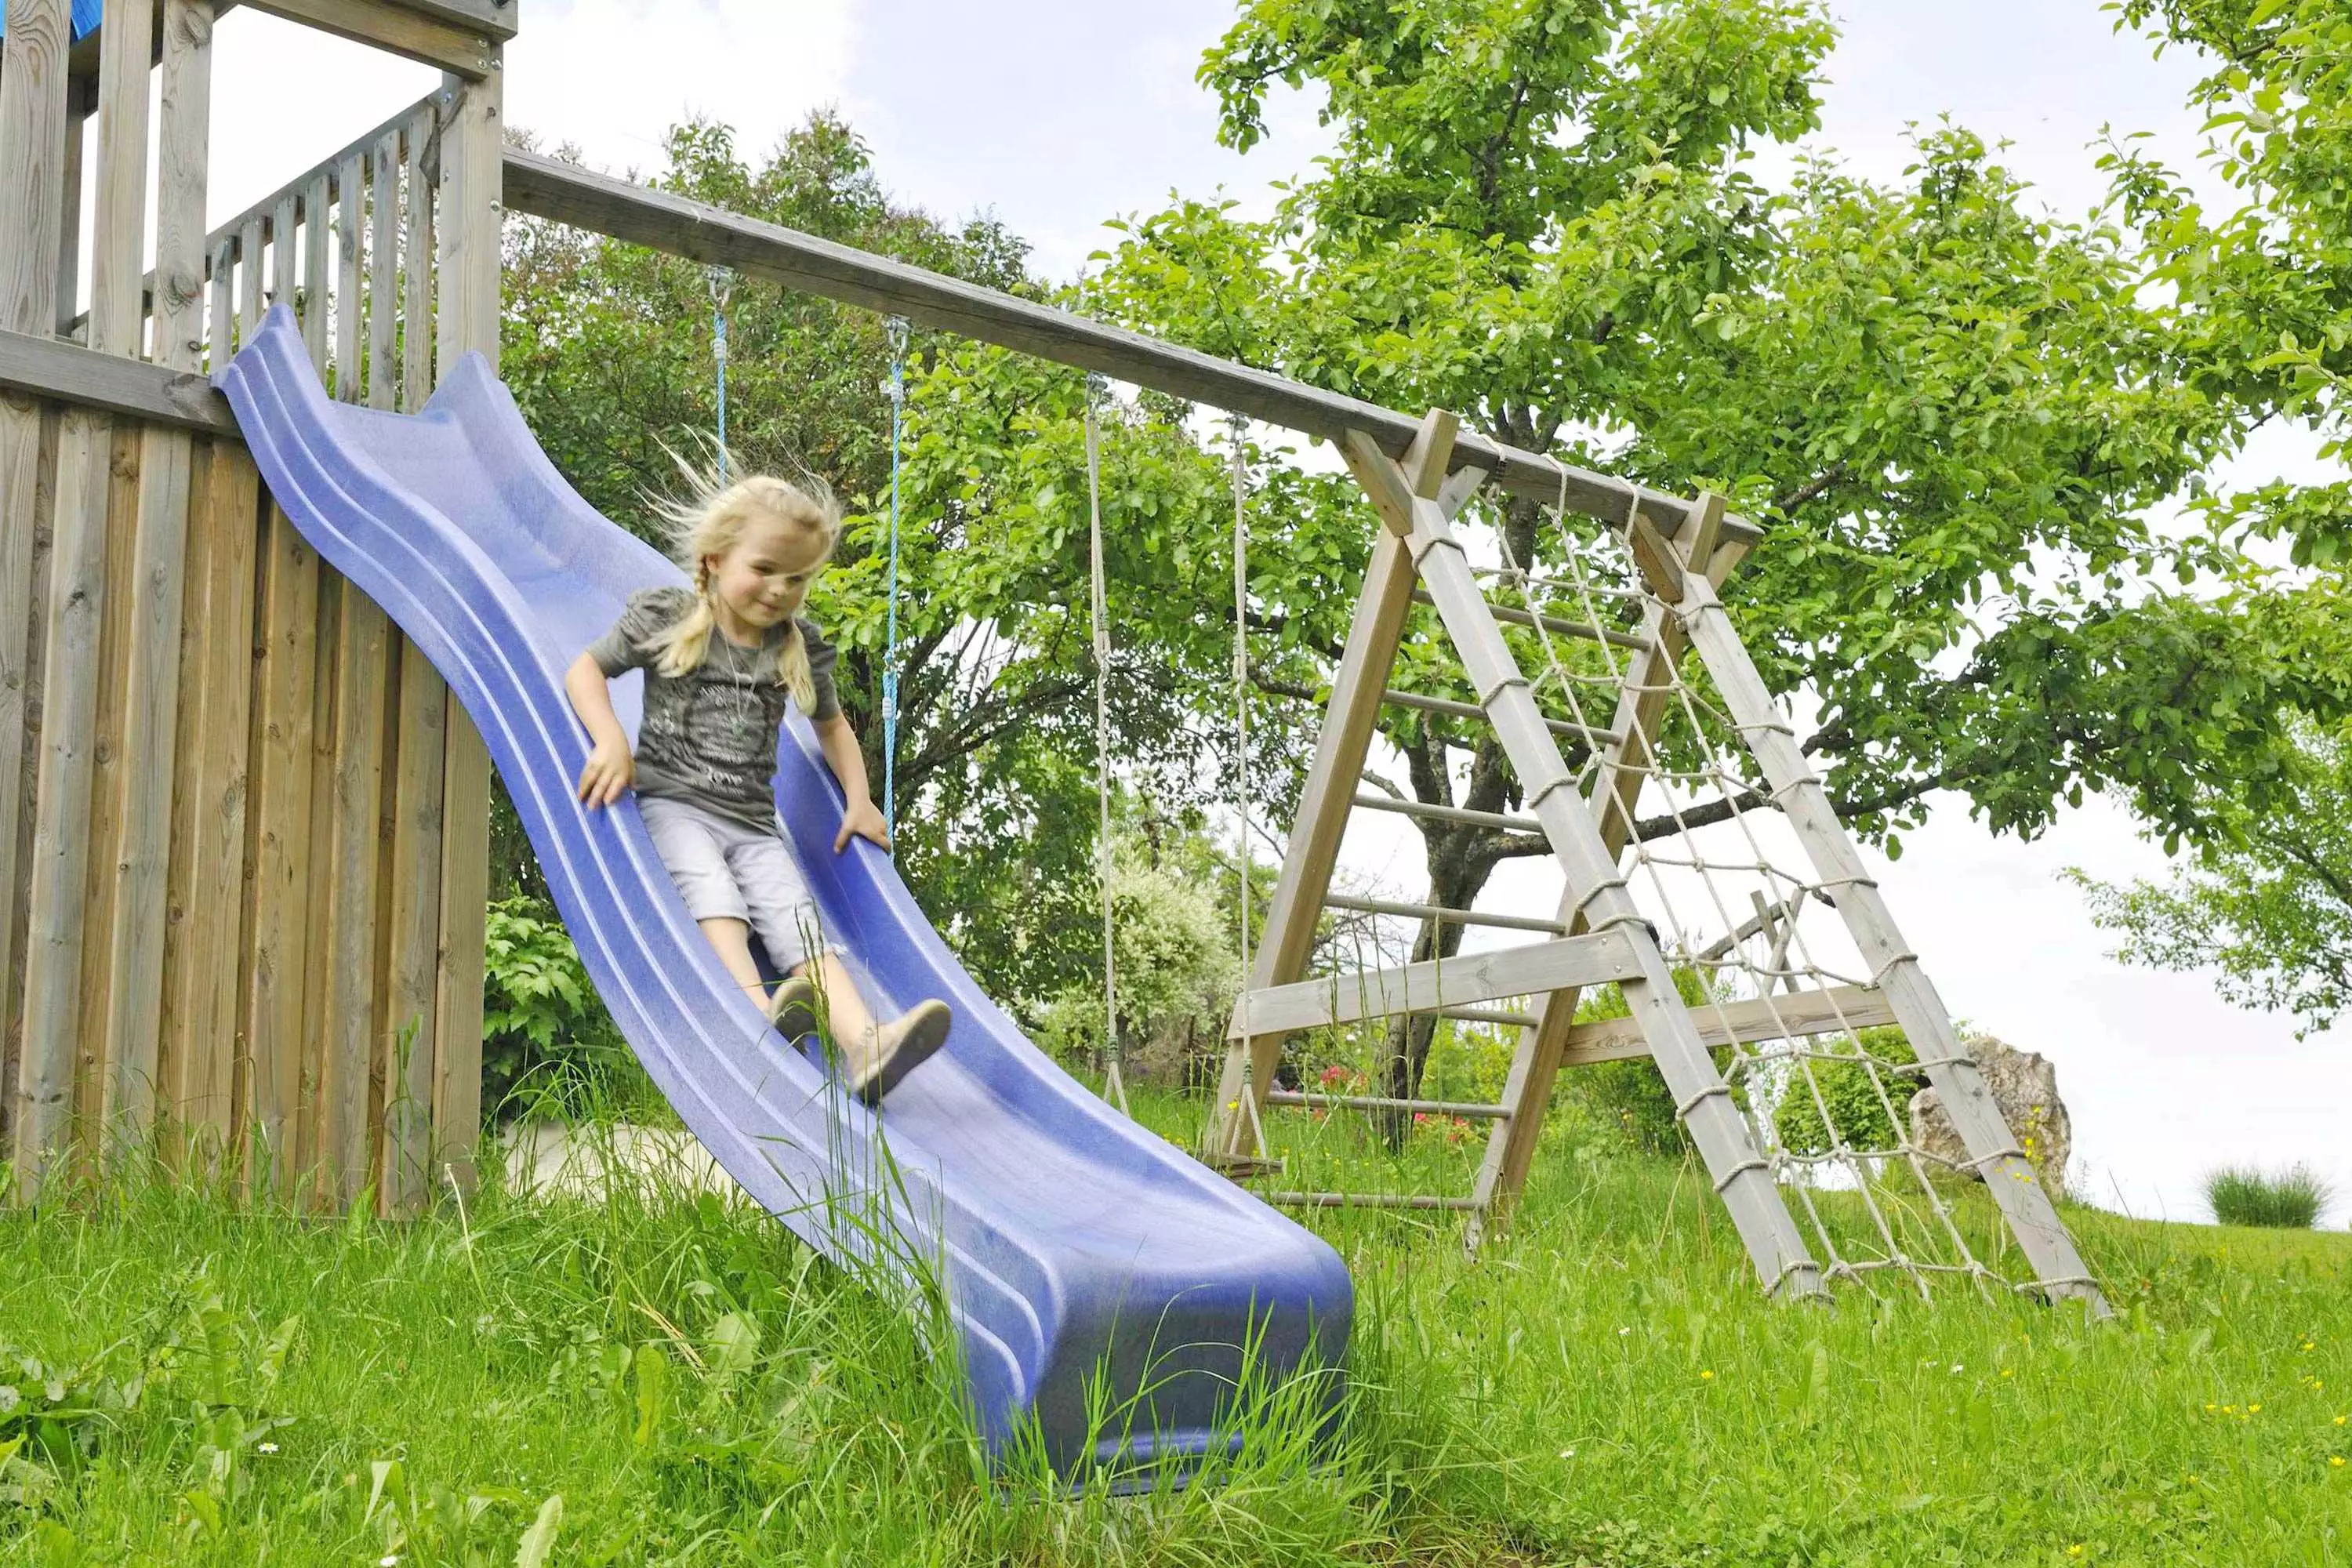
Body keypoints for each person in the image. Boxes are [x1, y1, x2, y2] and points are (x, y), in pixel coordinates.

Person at [564, 466, 949, 1105]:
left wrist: (859, 799)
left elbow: (833, 727)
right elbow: (586, 669)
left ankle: (865, 1045)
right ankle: (752, 1015)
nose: (779, 590)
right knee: (715, 897)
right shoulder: (669, 617)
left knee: (797, 922)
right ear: (715, 560)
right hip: (674, 805)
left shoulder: (797, 646)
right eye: (765, 568)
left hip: (752, 822)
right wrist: (610, 739)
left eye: (797, 579)